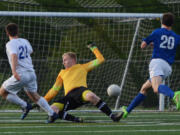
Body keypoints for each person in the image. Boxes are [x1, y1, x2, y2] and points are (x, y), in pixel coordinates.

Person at [119, 12, 180, 119]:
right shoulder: (176, 36)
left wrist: (145, 41)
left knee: (156, 88)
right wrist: (154, 44)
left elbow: (143, 46)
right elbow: (166, 46)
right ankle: (126, 111)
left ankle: (175, 95)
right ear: (172, 24)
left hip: (157, 63)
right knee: (144, 88)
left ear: (162, 21)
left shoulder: (157, 32)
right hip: (167, 67)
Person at [44, 42, 121, 123]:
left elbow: (100, 59)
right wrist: (44, 100)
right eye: (63, 60)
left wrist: (93, 48)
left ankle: (113, 116)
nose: (63, 62)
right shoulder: (61, 73)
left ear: (73, 59)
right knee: (51, 108)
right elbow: (54, 90)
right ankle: (76, 119)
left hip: (81, 91)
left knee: (91, 96)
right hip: (69, 97)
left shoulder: (82, 67)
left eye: (65, 59)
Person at [0, 23, 58, 121]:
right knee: (34, 96)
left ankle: (25, 105)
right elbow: (30, 51)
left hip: (21, 73)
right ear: (18, 31)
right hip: (31, 73)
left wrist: (14, 72)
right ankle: (52, 114)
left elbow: (14, 55)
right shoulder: (24, 41)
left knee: (3, 92)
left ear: (7, 33)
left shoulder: (10, 44)